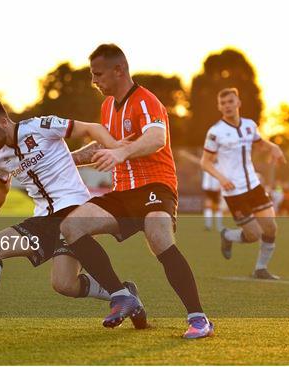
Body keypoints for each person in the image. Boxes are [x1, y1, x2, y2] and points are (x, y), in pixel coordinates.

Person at [0, 96, 146, 332]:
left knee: (61, 281)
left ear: (3, 121)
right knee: (8, 254)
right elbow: (1, 187)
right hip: (43, 220)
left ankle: (123, 295)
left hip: (74, 213)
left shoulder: (40, 127)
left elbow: (91, 128)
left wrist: (118, 148)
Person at [59, 44, 214, 339]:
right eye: (93, 75)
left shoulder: (145, 101)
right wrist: (65, 161)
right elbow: (102, 146)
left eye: (98, 74)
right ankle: (121, 295)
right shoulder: (107, 107)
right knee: (72, 225)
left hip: (156, 185)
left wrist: (122, 154)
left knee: (158, 235)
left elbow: (156, 138)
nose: (94, 81)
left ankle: (199, 318)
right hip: (123, 193)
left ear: (119, 70)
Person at [200, 87, 286, 280]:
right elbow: (204, 162)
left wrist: (273, 147)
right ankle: (228, 236)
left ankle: (260, 269)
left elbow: (260, 142)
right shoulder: (215, 132)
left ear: (238, 103)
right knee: (253, 235)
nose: (227, 106)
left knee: (271, 228)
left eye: (230, 102)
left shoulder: (249, 125)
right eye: (223, 103)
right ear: (219, 107)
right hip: (234, 192)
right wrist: (222, 178)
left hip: (254, 186)